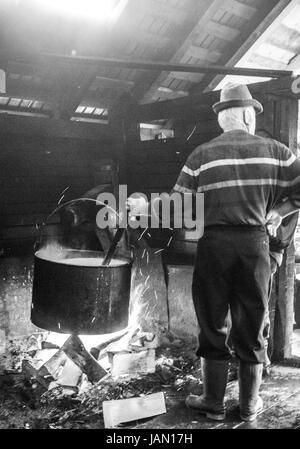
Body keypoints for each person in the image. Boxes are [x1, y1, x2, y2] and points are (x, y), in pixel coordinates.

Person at [127, 83, 300, 422]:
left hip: (215, 247)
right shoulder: (278, 153)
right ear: (249, 116)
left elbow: (178, 207)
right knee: (252, 323)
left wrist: (144, 206)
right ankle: (250, 406)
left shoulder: (201, 155)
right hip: (255, 246)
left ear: (223, 119)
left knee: (212, 323)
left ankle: (213, 403)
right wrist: (281, 210)